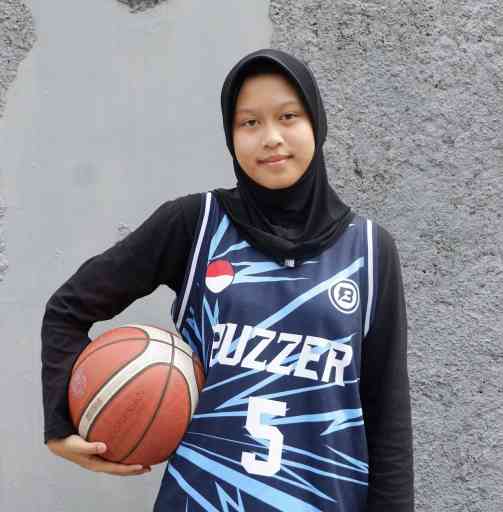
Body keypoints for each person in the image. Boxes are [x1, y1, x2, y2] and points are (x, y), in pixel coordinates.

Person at [41, 48, 414, 511]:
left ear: (316, 123)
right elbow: (68, 310)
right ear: (230, 135)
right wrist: (60, 423)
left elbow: (386, 411)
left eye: (288, 116)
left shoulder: (370, 250)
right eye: (249, 123)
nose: (271, 138)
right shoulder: (196, 225)